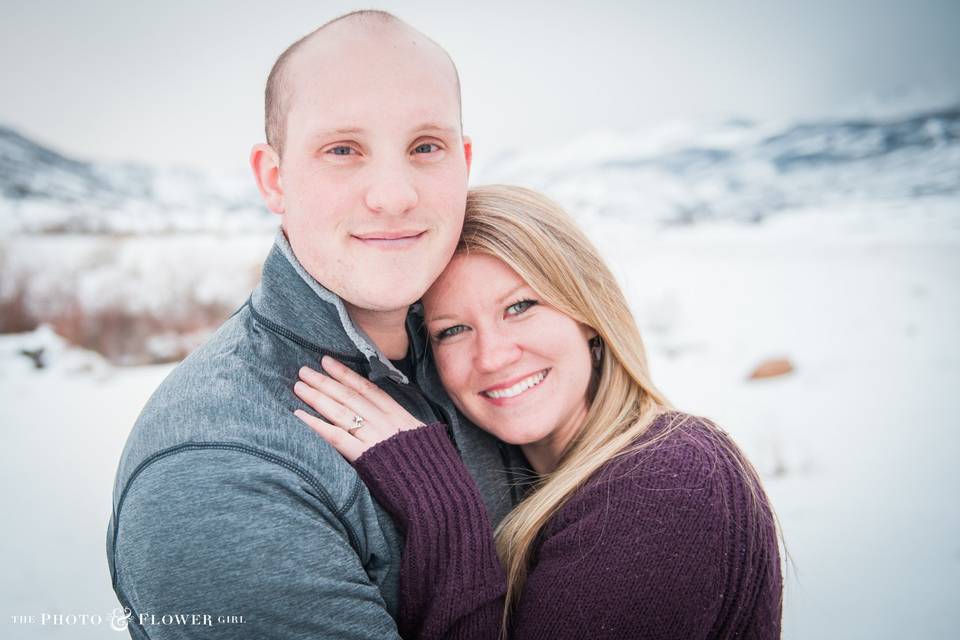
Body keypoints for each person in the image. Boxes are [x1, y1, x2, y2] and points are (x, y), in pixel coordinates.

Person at [106, 11, 526, 639]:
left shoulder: (489, 363)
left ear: (463, 165)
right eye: (342, 150)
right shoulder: (219, 475)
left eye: (425, 147)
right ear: (274, 179)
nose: (393, 195)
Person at [293, 185, 784, 639]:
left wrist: (442, 508)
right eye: (452, 330)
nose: (492, 356)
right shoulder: (552, 478)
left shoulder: (666, 479)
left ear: (588, 314)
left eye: (520, 306)